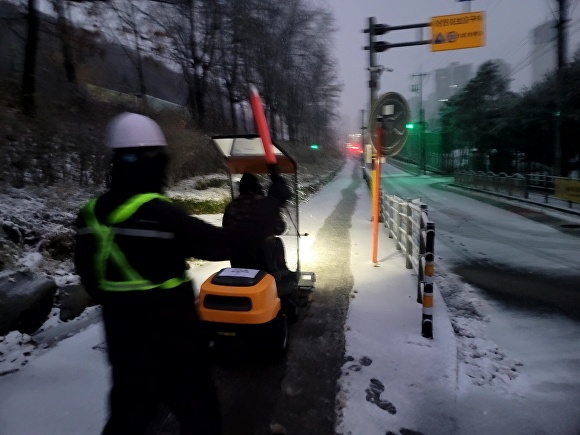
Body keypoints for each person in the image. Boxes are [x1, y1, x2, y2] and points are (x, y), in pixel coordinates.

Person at [74, 112, 256, 435]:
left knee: (126, 421)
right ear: (153, 162)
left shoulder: (91, 217)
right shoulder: (162, 216)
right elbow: (224, 245)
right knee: (201, 420)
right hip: (177, 350)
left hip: (125, 350)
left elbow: (92, 280)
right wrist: (268, 207)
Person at [222, 165, 294, 285]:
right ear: (257, 187)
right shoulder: (265, 204)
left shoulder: (231, 206)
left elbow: (226, 229)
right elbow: (279, 228)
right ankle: (282, 275)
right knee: (276, 242)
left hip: (238, 259)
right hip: (262, 259)